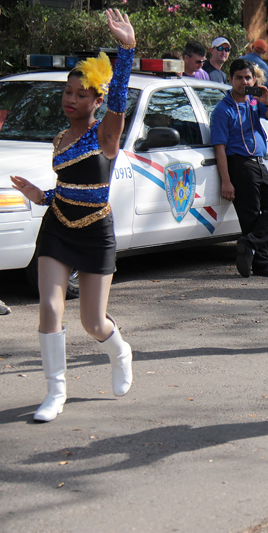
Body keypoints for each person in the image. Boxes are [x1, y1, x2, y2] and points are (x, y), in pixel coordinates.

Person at [10, 9, 136, 422]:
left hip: (96, 231)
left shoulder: (106, 134)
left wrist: (126, 49)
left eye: (82, 94)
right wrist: (41, 195)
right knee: (49, 306)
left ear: (97, 102)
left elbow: (119, 97)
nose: (71, 99)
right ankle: (55, 392)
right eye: (68, 92)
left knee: (93, 322)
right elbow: (70, 187)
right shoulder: (60, 136)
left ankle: (120, 351)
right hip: (58, 227)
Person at [210, 59, 268, 279]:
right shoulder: (223, 110)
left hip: (258, 162)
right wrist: (226, 180)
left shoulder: (254, 101)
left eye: (248, 77)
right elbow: (220, 148)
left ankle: (248, 244)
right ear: (231, 79)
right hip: (240, 164)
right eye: (239, 78)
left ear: (254, 79)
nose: (244, 82)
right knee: (251, 214)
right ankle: (260, 262)